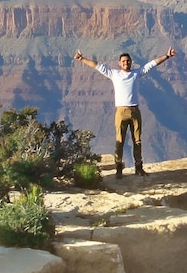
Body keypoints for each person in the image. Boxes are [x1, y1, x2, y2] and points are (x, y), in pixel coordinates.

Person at [75, 49, 175, 177]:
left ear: (131, 62)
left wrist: (167, 56)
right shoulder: (114, 74)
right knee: (120, 141)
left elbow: (152, 64)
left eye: (128, 61)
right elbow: (97, 66)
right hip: (121, 112)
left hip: (135, 111)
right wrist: (82, 59)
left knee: (137, 141)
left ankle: (138, 167)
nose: (126, 63)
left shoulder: (136, 73)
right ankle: (118, 168)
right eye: (123, 61)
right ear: (119, 63)